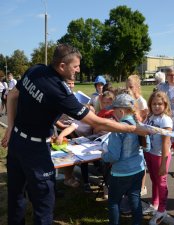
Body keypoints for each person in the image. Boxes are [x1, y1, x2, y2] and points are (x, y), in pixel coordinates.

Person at [1, 43, 147, 225]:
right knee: (44, 205)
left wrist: (10, 127)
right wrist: (132, 128)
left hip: (16, 142)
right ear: (62, 66)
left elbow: (13, 95)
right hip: (36, 150)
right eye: (76, 66)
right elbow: (95, 122)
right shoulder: (59, 91)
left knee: (16, 197)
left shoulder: (36, 70)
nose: (78, 70)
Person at [102, 93, 148, 225]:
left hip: (121, 173)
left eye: (114, 110)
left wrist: (103, 155)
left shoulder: (117, 130)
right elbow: (147, 148)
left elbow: (113, 156)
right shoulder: (140, 126)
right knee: (135, 199)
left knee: (114, 202)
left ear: (121, 111)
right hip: (138, 169)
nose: (113, 113)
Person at [142, 91, 173, 225]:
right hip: (150, 153)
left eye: (160, 104)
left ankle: (162, 210)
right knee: (154, 179)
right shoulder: (150, 116)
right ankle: (155, 204)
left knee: (161, 182)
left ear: (165, 104)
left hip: (161, 156)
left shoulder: (165, 120)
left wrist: (163, 164)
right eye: (154, 104)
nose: (156, 106)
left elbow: (166, 143)